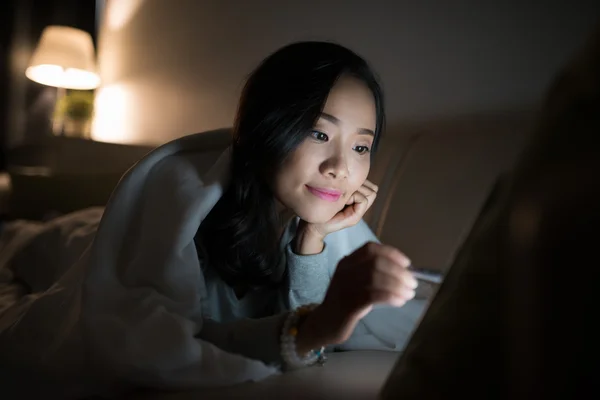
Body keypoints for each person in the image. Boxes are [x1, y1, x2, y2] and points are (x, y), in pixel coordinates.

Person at [0, 41, 424, 397]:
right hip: (84, 233)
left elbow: (300, 321)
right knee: (33, 240)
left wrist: (312, 238)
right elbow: (155, 341)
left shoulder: (316, 218)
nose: (340, 167)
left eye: (361, 147)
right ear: (269, 128)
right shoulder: (184, 196)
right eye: (318, 133)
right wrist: (316, 327)